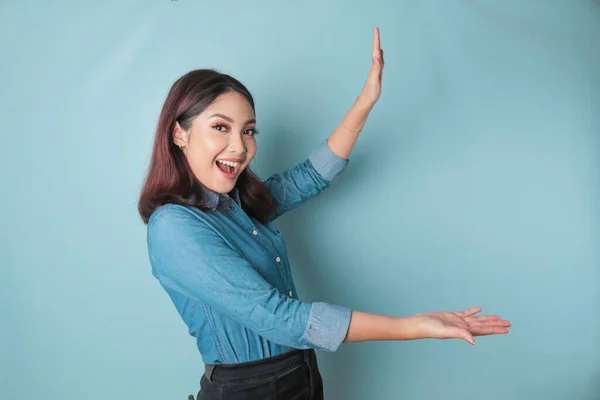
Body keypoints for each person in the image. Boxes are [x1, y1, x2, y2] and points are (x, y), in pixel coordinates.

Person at [138, 27, 511, 400]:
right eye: (220, 127)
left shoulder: (237, 204)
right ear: (179, 134)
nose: (239, 146)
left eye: (249, 131)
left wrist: (365, 103)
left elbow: (309, 177)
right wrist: (414, 326)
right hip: (247, 390)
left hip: (300, 373)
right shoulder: (174, 226)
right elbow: (281, 318)